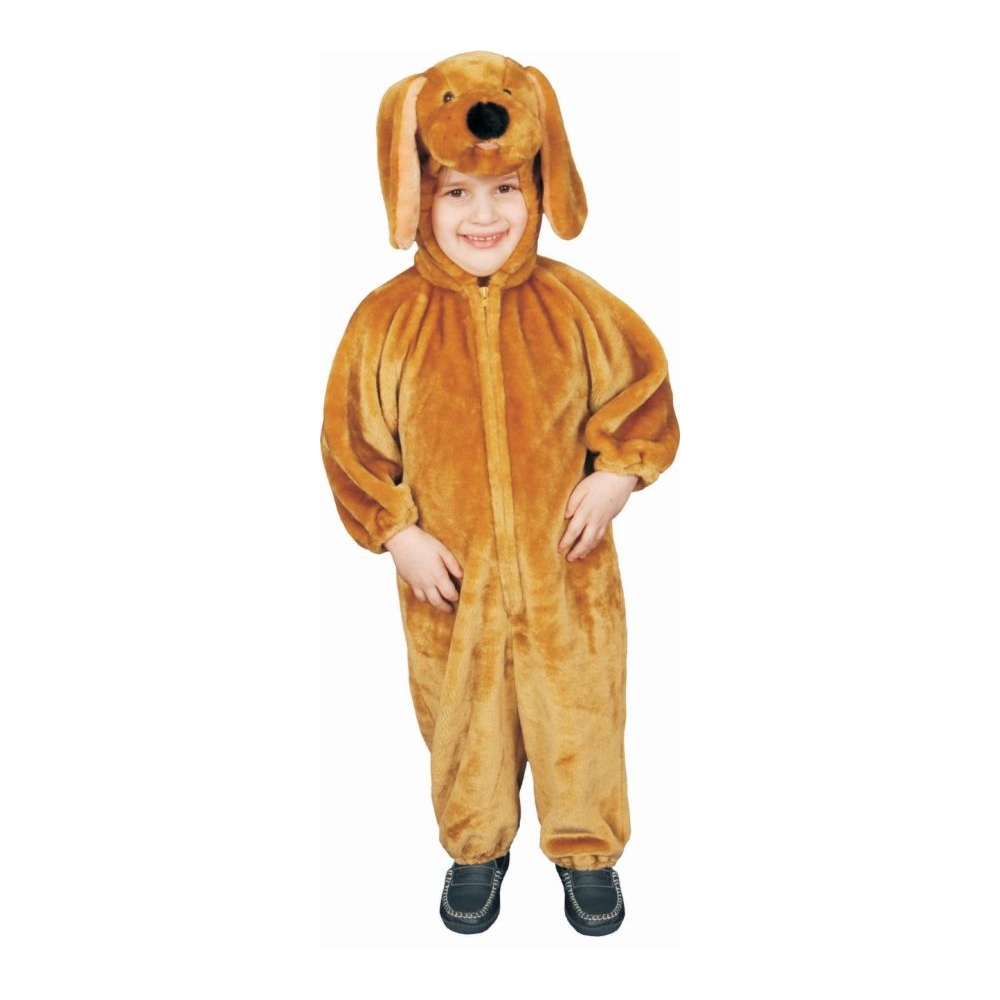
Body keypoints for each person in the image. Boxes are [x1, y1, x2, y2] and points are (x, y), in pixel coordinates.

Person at [320, 51, 679, 937]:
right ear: (416, 195)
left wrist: (617, 475)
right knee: (461, 718)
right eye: (456, 193)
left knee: (580, 709)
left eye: (506, 190)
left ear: (540, 187)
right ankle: (476, 844)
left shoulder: (576, 306)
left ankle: (585, 848)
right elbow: (351, 444)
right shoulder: (384, 321)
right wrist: (396, 533)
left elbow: (644, 390)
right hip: (450, 582)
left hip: (567, 574)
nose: (484, 216)